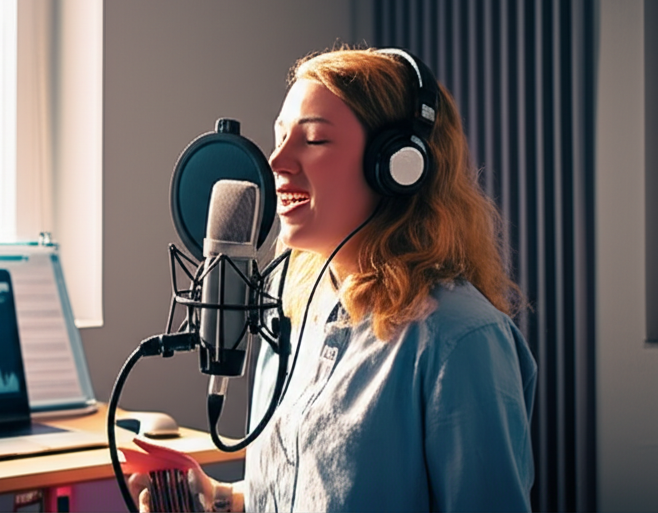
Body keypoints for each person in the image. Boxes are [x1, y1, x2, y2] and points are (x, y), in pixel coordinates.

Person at [129, 46, 537, 512]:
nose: (276, 162)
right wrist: (220, 500)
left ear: (398, 165)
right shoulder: (292, 315)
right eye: (279, 137)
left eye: (315, 140)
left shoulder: (460, 340)